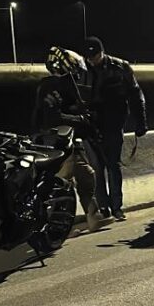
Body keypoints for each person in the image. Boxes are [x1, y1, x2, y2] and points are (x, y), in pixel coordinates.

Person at [33, 46, 104, 232]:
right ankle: (56, 227)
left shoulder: (67, 85)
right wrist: (80, 120)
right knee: (62, 184)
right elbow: (52, 118)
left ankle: (94, 216)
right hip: (57, 144)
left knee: (86, 176)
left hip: (71, 141)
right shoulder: (50, 87)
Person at [80, 35, 148, 221]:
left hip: (113, 124)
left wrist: (141, 122)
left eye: (95, 56)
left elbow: (135, 94)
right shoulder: (82, 69)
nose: (92, 61)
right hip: (90, 126)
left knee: (113, 165)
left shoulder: (120, 67)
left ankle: (117, 207)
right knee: (96, 168)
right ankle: (104, 207)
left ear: (102, 52)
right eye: (89, 57)